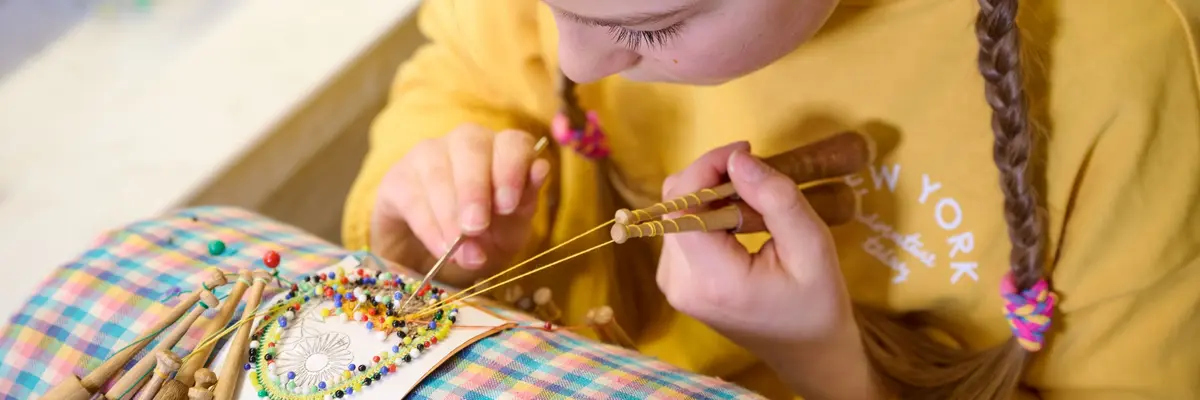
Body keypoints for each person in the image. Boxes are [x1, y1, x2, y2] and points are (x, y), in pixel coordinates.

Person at [342, 0, 1200, 398]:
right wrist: (424, 203)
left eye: (649, 27)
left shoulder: (1127, 73)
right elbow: (461, 77)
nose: (576, 63)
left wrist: (828, 366)